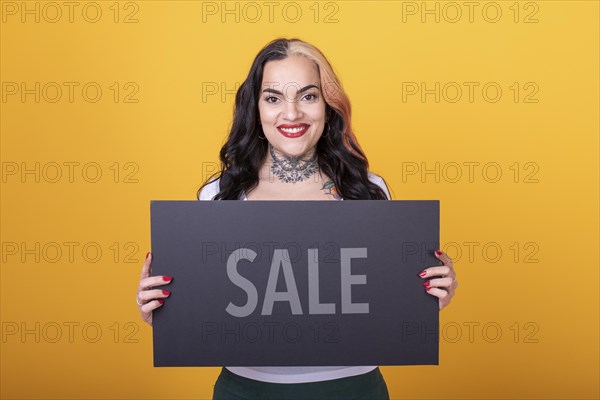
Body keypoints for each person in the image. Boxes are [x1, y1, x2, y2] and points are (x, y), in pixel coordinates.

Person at [136, 37, 458, 400]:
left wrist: (428, 295)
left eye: (308, 96)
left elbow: (387, 299)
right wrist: (164, 312)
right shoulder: (218, 195)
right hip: (246, 390)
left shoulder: (367, 190)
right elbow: (200, 309)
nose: (291, 114)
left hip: (354, 388)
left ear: (328, 105)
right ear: (255, 108)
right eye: (273, 98)